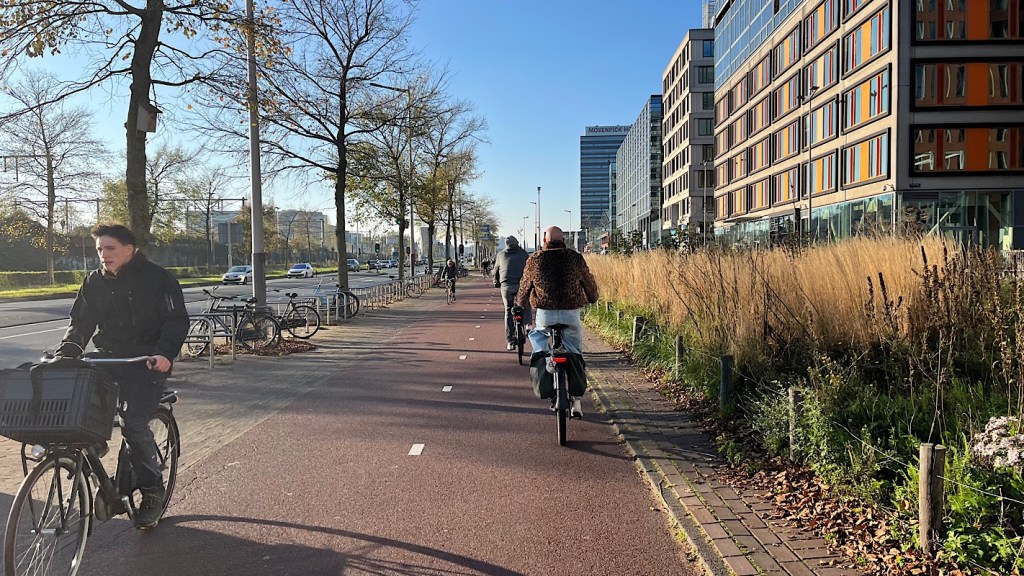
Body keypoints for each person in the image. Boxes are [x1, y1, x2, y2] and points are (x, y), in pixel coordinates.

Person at [56, 224, 189, 530]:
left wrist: (165, 354)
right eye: (99, 249)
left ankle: (152, 490)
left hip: (146, 361)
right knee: (76, 408)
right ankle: (96, 447)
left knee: (133, 425)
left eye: (110, 248)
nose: (103, 255)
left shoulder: (158, 279)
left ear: (129, 248)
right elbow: (81, 322)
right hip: (108, 358)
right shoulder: (94, 281)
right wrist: (68, 351)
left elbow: (176, 320)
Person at [516, 226, 598, 417]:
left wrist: (519, 304)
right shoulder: (575, 257)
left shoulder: (535, 259)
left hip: (546, 313)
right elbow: (588, 282)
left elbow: (525, 286)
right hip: (570, 312)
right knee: (575, 351)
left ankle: (546, 359)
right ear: (564, 241)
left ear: (545, 241)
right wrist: (592, 297)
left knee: (539, 338)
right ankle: (576, 401)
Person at [492, 236, 530, 351]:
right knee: (525, 304)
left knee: (508, 310)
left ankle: (510, 341)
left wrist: (496, 282)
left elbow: (495, 270)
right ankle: (528, 325)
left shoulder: (501, 254)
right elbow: (530, 269)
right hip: (521, 285)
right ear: (517, 243)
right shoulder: (524, 254)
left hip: (506, 285)